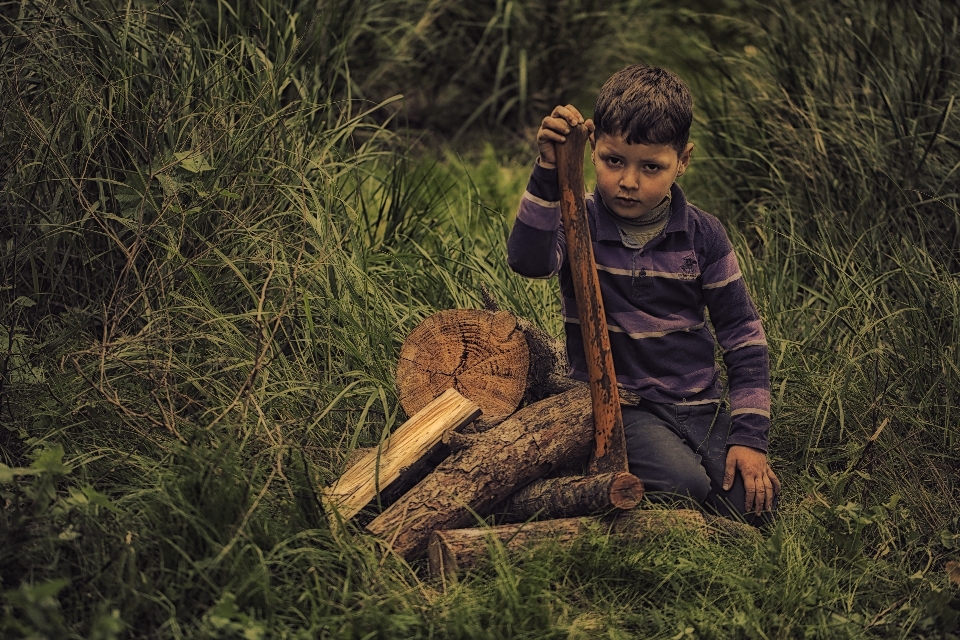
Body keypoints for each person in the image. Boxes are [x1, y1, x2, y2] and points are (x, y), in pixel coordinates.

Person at [507, 64, 780, 524]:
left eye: (651, 167)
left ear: (683, 160)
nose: (629, 181)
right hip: (620, 406)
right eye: (614, 160)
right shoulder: (581, 222)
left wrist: (749, 437)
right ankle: (602, 472)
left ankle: (697, 480)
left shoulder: (703, 235)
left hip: (698, 405)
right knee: (684, 486)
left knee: (752, 507)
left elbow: (742, 335)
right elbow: (528, 261)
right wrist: (548, 172)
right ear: (593, 148)